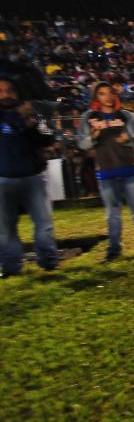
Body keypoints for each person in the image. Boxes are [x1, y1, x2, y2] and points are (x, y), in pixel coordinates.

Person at [77, 82, 134, 260]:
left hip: (130, 169)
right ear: (96, 97)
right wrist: (92, 136)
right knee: (112, 214)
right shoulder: (90, 117)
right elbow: (81, 143)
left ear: (115, 95)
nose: (107, 97)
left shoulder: (125, 115)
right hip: (106, 172)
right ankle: (114, 250)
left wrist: (128, 138)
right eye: (102, 94)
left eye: (110, 93)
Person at [0, 75, 58, 276]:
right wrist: (19, 117)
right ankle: (11, 268)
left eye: (10, 90)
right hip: (3, 179)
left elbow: (48, 137)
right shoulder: (15, 114)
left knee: (44, 224)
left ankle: (49, 262)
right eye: (1, 91)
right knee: (5, 229)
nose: (6, 95)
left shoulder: (33, 113)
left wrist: (33, 124)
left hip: (34, 176)